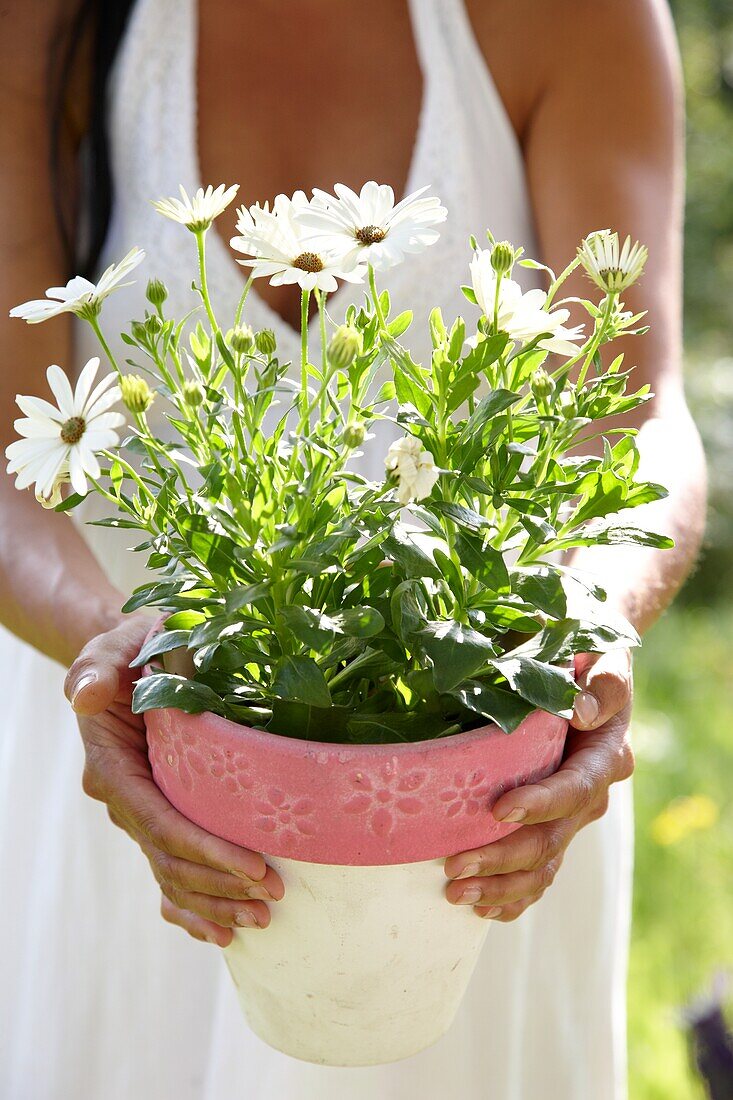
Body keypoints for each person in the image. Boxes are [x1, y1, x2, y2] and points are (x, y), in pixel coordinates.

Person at [0, 0, 706, 1097]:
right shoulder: (36, 25)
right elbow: (11, 460)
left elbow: (636, 412)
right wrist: (122, 663)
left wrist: (588, 620)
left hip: (474, 780)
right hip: (138, 759)